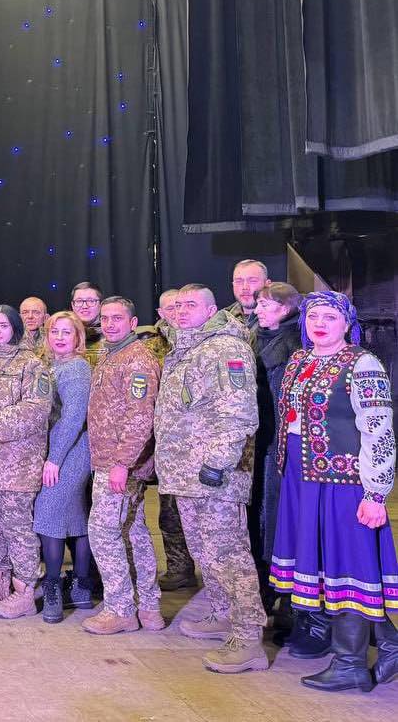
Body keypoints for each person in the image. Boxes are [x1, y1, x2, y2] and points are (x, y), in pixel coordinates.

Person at [269, 291, 397, 692]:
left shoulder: (363, 364)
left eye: (329, 317)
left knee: (350, 566)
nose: (320, 324)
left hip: (344, 483)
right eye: (313, 317)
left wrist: (375, 493)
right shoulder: (299, 360)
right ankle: (390, 647)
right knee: (327, 567)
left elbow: (379, 431)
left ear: (347, 323)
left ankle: (350, 663)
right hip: (301, 478)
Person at [155, 283, 268, 673]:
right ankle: (222, 614)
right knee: (205, 553)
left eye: (191, 305)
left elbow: (238, 412)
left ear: (211, 309)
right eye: (178, 305)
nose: (182, 311)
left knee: (229, 556)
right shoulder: (188, 347)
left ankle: (249, 639)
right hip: (187, 473)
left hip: (214, 474)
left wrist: (218, 463)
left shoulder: (225, 348)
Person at [82, 296, 165, 635]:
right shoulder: (112, 354)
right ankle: (149, 606)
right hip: (114, 461)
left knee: (103, 532)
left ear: (132, 323)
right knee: (134, 532)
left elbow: (140, 416)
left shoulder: (137, 359)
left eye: (117, 318)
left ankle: (120, 610)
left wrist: (122, 463)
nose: (109, 324)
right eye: (105, 318)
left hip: (119, 464)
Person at [0, 305, 54, 618]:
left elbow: (36, 410)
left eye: (3, 325)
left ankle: (24, 592)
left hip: (18, 463)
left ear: (15, 329)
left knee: (18, 528)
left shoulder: (31, 364)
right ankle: (1, 583)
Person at [251, 283, 306, 633]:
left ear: (284, 309)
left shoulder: (294, 346)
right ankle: (264, 588)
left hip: (281, 446)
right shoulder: (256, 338)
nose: (257, 309)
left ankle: (287, 598)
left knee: (278, 520)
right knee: (258, 518)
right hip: (259, 442)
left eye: (264, 304)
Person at [33, 311, 93, 623]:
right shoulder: (54, 365)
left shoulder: (76, 368)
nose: (59, 337)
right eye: (54, 331)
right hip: (61, 448)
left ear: (78, 337)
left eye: (66, 332)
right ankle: (82, 588)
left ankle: (53, 588)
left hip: (71, 451)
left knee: (49, 515)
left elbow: (73, 417)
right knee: (75, 517)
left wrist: (54, 458)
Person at [149, 288, 193, 591]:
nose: (176, 313)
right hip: (165, 440)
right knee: (169, 512)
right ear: (160, 313)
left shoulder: (201, 341)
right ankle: (179, 567)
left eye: (181, 306)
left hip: (194, 438)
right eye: (169, 308)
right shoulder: (153, 345)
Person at [226, 258, 269, 335]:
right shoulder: (222, 318)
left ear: (267, 284)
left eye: (252, 281)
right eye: (239, 281)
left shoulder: (277, 320)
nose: (245, 287)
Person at [70, 282, 105, 366]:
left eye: (91, 301)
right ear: (72, 305)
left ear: (101, 304)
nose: (85, 306)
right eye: (79, 301)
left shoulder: (112, 333)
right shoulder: (62, 335)